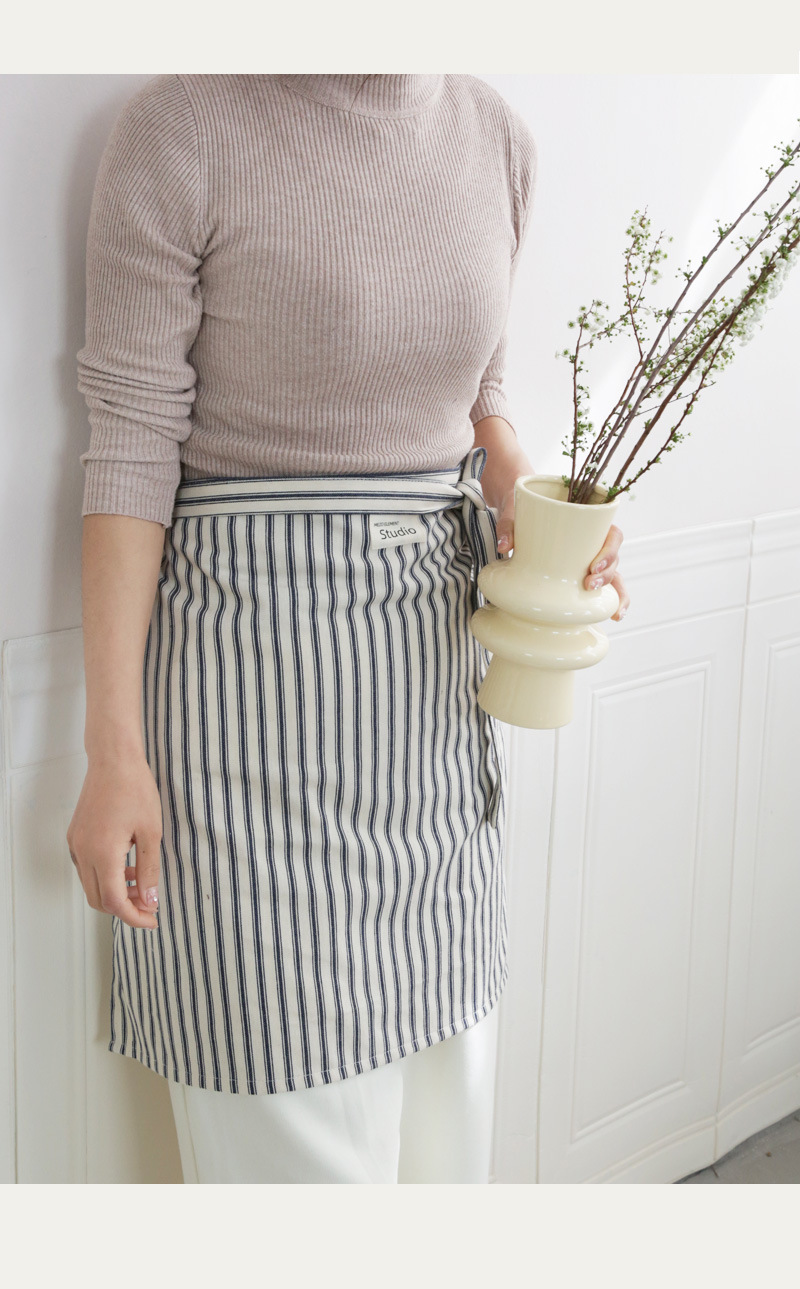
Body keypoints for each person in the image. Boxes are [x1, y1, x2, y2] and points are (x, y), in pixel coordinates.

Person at [66, 73, 629, 1185]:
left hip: (429, 715)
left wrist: (528, 492)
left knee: (444, 1154)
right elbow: (130, 445)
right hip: (245, 724)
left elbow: (479, 391)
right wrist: (113, 750)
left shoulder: (496, 137)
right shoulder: (183, 129)